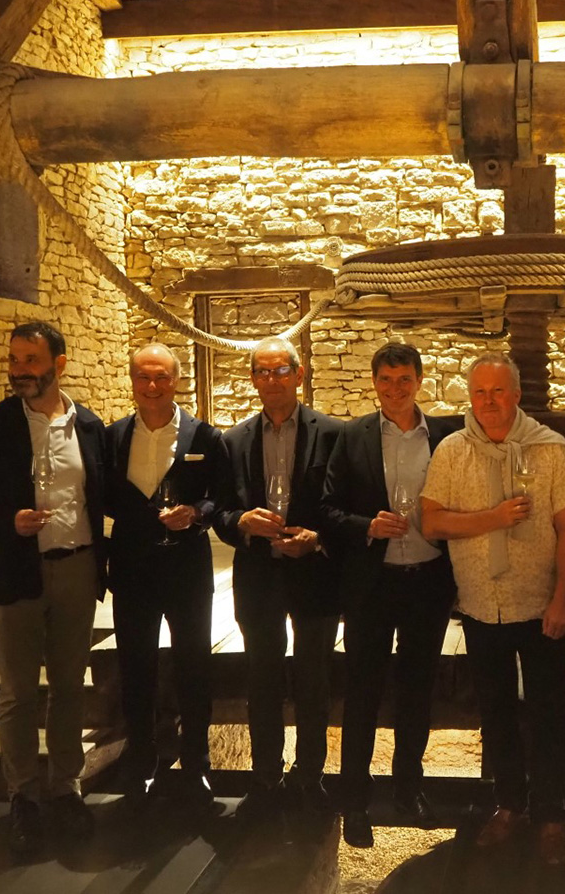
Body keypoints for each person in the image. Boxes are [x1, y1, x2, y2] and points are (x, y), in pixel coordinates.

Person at [0, 321, 107, 855]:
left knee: (68, 686)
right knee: (17, 692)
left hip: (77, 568)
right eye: (14, 361)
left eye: (30, 361)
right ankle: (23, 796)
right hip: (14, 572)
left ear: (58, 364)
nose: (19, 371)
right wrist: (5, 521)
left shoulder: (89, 425)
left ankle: (66, 788)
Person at [421, 353, 565, 865]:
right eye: (480, 393)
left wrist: (562, 600)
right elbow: (432, 524)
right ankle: (510, 803)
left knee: (549, 713)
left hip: (538, 605)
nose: (489, 402)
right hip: (480, 605)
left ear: (516, 395)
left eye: (498, 392)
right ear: (470, 397)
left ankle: (553, 813)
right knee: (496, 713)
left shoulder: (552, 451)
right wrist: (492, 518)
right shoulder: (451, 451)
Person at [321, 342, 461, 848]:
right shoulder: (352, 435)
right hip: (372, 585)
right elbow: (328, 509)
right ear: (374, 383)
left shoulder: (448, 434)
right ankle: (354, 800)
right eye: (386, 380)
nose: (395, 389)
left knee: (416, 690)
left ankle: (408, 789)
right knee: (362, 692)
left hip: (428, 580)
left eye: (404, 380)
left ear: (420, 381)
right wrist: (367, 525)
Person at [213, 337, 343, 823]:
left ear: (299, 374)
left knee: (314, 680)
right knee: (261, 679)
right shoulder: (234, 440)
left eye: (281, 371)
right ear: (253, 379)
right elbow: (221, 510)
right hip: (259, 575)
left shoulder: (333, 434)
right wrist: (242, 523)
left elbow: (344, 504)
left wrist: (319, 537)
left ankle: (310, 776)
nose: (272, 380)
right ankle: (265, 777)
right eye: (263, 372)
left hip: (315, 574)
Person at [104, 343, 230, 810]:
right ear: (132, 381)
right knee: (136, 667)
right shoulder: (114, 437)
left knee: (194, 665)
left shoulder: (204, 438)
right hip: (133, 571)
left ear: (176, 380)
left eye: (161, 378)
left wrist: (197, 512)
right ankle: (142, 758)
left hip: (186, 570)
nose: (152, 387)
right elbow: (104, 497)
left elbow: (223, 496)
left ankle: (196, 762)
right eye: (143, 378)